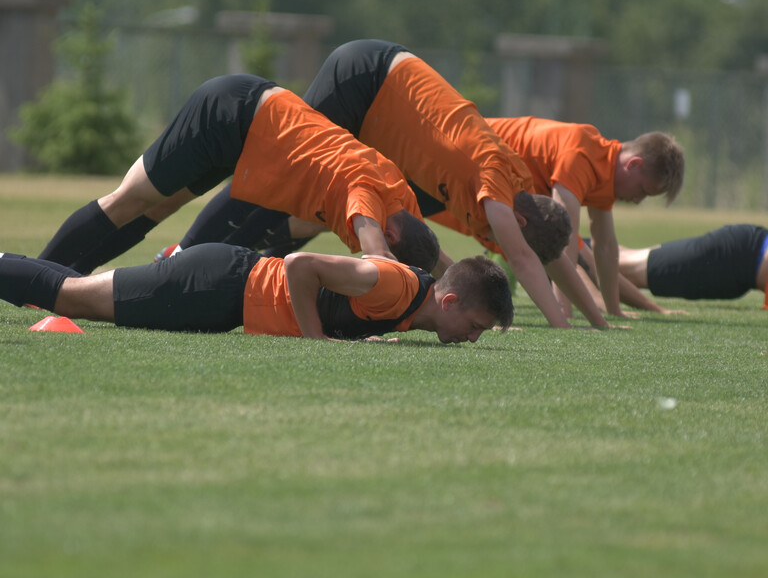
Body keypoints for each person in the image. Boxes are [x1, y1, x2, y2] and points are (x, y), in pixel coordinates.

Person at [165, 41, 609, 329]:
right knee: (280, 174)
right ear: (517, 219)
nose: (494, 243)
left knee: (315, 211)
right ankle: (183, 255)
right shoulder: (495, 183)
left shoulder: (510, 194)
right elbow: (524, 259)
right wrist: (562, 326)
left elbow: (538, 255)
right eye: (504, 236)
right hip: (368, 78)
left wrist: (602, 321)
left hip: (387, 110)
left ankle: (251, 270)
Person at [37, 74, 440, 275]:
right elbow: (377, 261)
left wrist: (449, 284)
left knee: (158, 208)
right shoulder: (369, 199)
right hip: (231, 113)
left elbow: (421, 252)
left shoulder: (402, 204)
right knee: (129, 200)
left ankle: (64, 284)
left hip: (250, 130)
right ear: (392, 237)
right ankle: (29, 278)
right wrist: (396, 297)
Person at [423, 117, 685, 319]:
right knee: (411, 235)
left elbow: (605, 248)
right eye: (642, 191)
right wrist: (565, 314)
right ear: (634, 164)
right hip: (447, 162)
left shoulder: (602, 169)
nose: (638, 200)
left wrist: (619, 310)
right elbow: (566, 248)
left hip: (482, 187)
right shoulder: (581, 153)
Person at [0, 247, 513, 342]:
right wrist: (316, 339)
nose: (472, 339)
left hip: (223, 297)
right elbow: (301, 264)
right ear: (450, 303)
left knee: (77, 290)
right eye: (474, 328)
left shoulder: (409, 312)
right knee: (70, 297)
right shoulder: (397, 284)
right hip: (219, 283)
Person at [576, 224, 768, 312]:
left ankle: (561, 248)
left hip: (743, 267)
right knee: (630, 266)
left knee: (629, 260)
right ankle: (560, 251)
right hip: (740, 255)